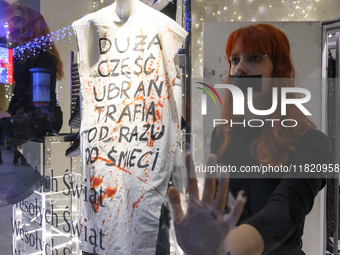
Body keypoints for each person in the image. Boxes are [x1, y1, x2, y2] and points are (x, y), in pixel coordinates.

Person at [169, 24, 331, 255]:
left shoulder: (312, 143)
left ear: (279, 70)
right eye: (234, 60)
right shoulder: (222, 135)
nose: (240, 69)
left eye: (254, 57)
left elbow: (286, 209)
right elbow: (220, 208)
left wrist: (228, 246)